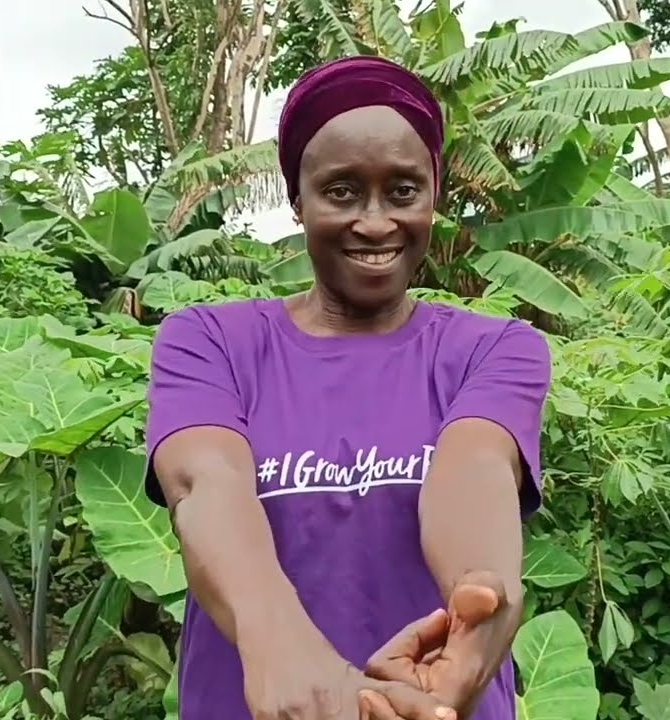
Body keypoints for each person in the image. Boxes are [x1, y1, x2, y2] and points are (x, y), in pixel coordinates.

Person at [144, 54, 552, 720]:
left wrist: (477, 602)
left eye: (402, 190)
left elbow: (476, 470)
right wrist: (281, 646)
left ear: (433, 196)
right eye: (341, 191)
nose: (374, 222)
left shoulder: (494, 349)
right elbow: (204, 484)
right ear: (296, 200)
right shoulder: (211, 341)